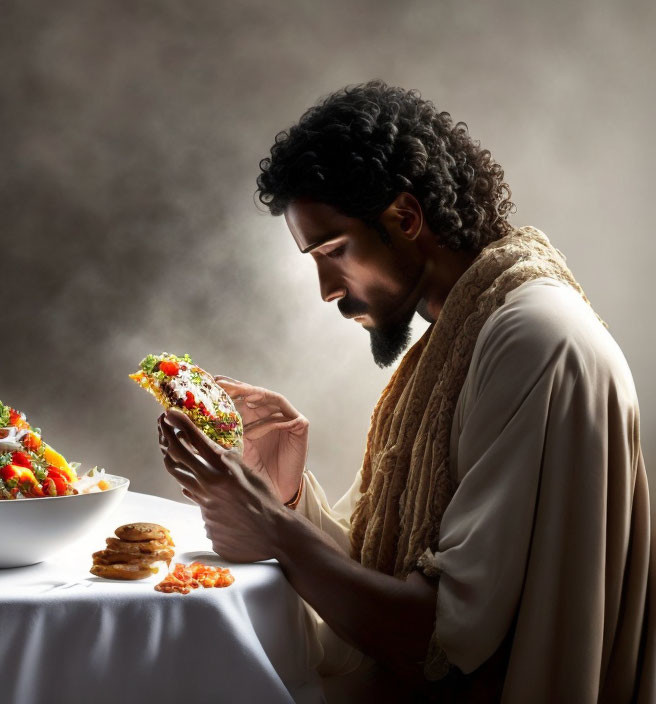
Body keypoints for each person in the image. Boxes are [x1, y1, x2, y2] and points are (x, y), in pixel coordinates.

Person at [156, 80, 655, 702]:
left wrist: (274, 532)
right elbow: (386, 575)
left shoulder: (533, 339)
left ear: (406, 217)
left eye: (333, 251)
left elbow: (435, 642)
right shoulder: (457, 339)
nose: (326, 290)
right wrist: (287, 500)